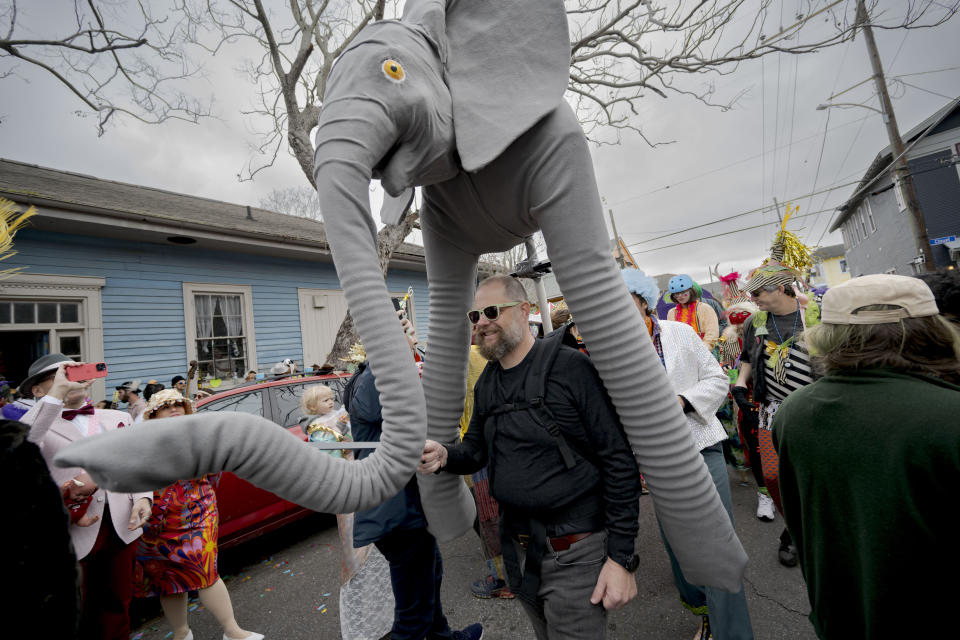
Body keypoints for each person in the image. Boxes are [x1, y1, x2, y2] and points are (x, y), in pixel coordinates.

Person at [419, 274, 641, 640]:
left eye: (492, 311)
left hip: (575, 552)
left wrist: (620, 559)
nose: (482, 323)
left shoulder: (571, 369)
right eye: (475, 316)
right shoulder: (488, 381)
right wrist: (444, 454)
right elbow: (476, 451)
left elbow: (618, 460)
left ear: (525, 311)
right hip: (519, 554)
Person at [773, 274, 960, 639]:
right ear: (932, 329)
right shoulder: (949, 412)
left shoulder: (794, 413)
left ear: (828, 335)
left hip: (840, 614)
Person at [622, 268, 754, 640]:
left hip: (701, 444)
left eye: (626, 302)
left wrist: (682, 401)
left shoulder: (680, 333)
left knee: (716, 544)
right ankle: (703, 610)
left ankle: (732, 631)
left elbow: (715, 379)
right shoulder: (609, 353)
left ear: (645, 302)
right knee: (678, 544)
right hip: (655, 462)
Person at [346, 312, 482, 640]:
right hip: (395, 513)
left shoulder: (375, 374)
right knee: (413, 614)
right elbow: (408, 411)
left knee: (430, 573)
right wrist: (403, 351)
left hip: (405, 506)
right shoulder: (376, 379)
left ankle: (444, 636)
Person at [19, 353, 153, 640]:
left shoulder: (117, 417)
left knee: (117, 607)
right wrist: (56, 395)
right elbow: (25, 445)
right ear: (38, 390)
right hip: (68, 534)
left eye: (73, 372)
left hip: (119, 528)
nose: (69, 379)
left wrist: (143, 498)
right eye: (57, 376)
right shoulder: (36, 423)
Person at [133, 389, 263, 640]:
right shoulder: (142, 442)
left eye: (178, 405)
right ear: (154, 414)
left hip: (197, 514)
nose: (174, 409)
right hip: (157, 521)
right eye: (166, 407)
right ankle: (181, 633)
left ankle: (232, 631)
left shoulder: (200, 435)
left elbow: (215, 474)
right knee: (166, 578)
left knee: (205, 571)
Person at [732, 249, 819, 568]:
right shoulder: (755, 322)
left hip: (814, 410)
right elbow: (746, 358)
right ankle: (796, 526)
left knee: (811, 475)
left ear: (781, 289)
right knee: (772, 474)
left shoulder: (816, 315)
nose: (753, 298)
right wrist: (741, 384)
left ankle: (799, 532)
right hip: (770, 409)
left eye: (758, 292)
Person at [666, 274, 720, 349]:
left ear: (690, 292)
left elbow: (712, 333)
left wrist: (703, 350)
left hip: (705, 351)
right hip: (684, 352)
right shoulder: (672, 313)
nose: (680, 296)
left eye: (683, 292)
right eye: (676, 294)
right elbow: (671, 335)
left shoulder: (705, 308)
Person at [299, 384, 351, 456]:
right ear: (312, 406)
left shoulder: (331, 414)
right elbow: (327, 442)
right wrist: (340, 425)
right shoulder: (315, 424)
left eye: (332, 399)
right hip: (332, 459)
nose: (331, 402)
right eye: (326, 400)